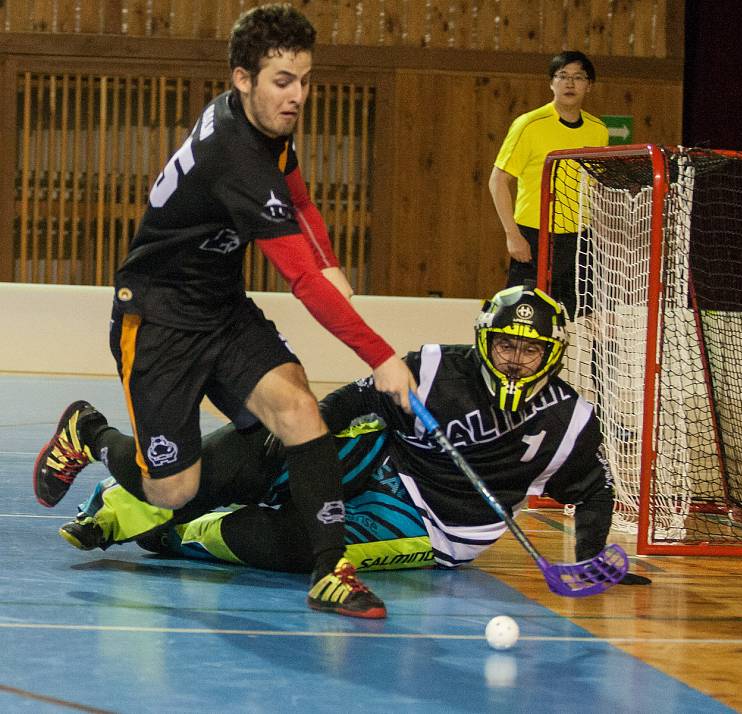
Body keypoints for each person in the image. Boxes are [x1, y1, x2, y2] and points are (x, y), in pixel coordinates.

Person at [32, 4, 418, 620]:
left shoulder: (260, 121)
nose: (297, 97)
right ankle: (88, 432)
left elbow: (299, 195)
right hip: (158, 321)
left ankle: (330, 569)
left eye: (305, 80)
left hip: (221, 306)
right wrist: (381, 357)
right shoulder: (236, 157)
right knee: (171, 489)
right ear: (243, 78)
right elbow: (299, 283)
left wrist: (332, 261)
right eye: (282, 82)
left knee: (298, 409)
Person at [55, 286, 650, 587]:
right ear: (485, 339)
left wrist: (592, 560)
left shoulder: (570, 419)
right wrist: (300, 435)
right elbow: (357, 399)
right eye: (506, 345)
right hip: (386, 455)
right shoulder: (437, 365)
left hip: (435, 530)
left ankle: (177, 535)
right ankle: (110, 496)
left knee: (299, 547)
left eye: (531, 350)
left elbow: (592, 492)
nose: (517, 359)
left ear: (553, 356)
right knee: (247, 458)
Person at [489, 51, 608, 317]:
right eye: (563, 76)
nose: (570, 83)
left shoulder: (598, 129)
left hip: (579, 238)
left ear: (589, 86)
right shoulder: (529, 124)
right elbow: (498, 180)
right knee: (523, 316)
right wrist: (513, 235)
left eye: (578, 77)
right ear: (551, 83)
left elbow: (596, 184)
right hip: (534, 235)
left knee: (579, 317)